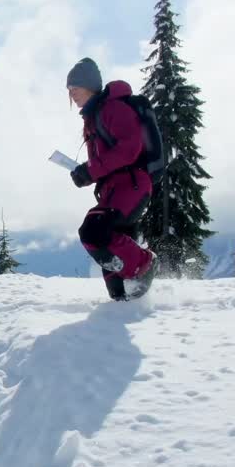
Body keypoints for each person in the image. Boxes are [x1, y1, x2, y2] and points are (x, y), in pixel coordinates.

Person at [65, 57, 157, 301]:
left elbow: (129, 149)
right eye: (69, 89)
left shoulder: (112, 108)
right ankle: (126, 306)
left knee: (93, 231)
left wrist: (91, 169)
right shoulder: (94, 117)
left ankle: (146, 263)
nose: (71, 93)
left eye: (76, 87)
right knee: (116, 284)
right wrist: (86, 175)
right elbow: (107, 163)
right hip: (114, 190)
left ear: (90, 86)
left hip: (131, 185)